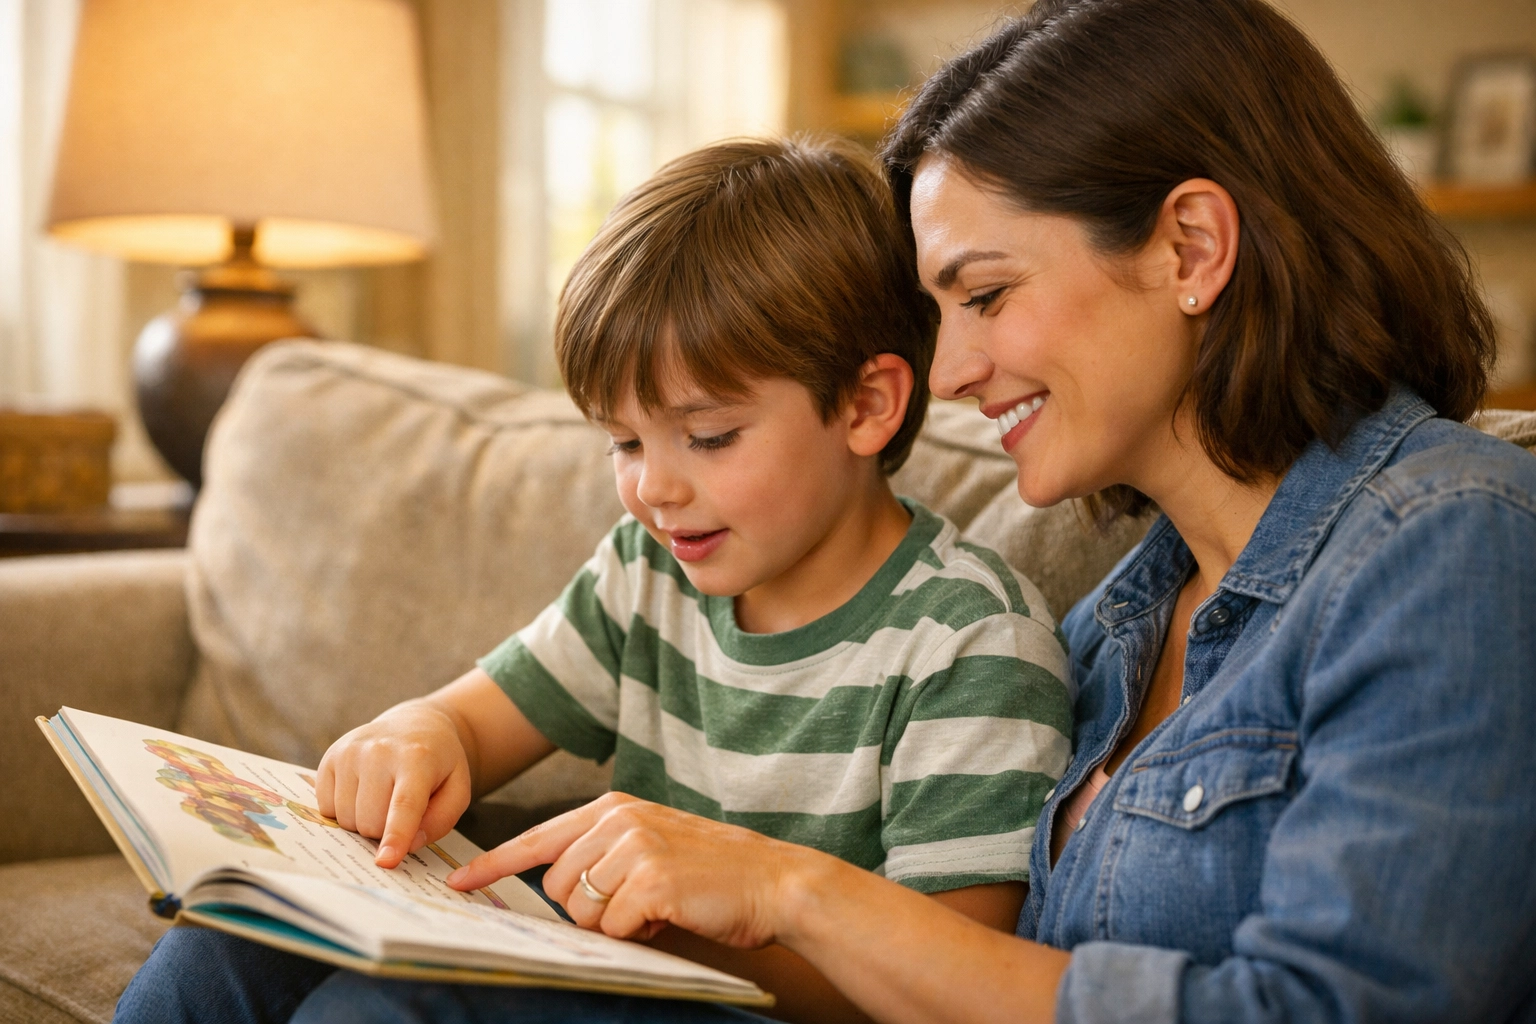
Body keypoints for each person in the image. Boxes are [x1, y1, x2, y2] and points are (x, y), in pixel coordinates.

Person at [117, 0, 1536, 1021]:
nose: (953, 371)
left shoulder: (1449, 541)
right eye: (937, 311)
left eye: (982, 296)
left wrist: (784, 893)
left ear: (1191, 245)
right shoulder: (1120, 619)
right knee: (242, 930)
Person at [115, 138, 1077, 1023]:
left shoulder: (972, 641)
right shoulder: (647, 571)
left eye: (708, 437)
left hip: (763, 1009)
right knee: (237, 931)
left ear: (867, 404)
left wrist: (663, 931)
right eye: (624, 440)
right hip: (617, 964)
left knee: (390, 1013)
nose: (654, 488)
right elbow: (465, 725)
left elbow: (951, 976)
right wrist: (410, 737)